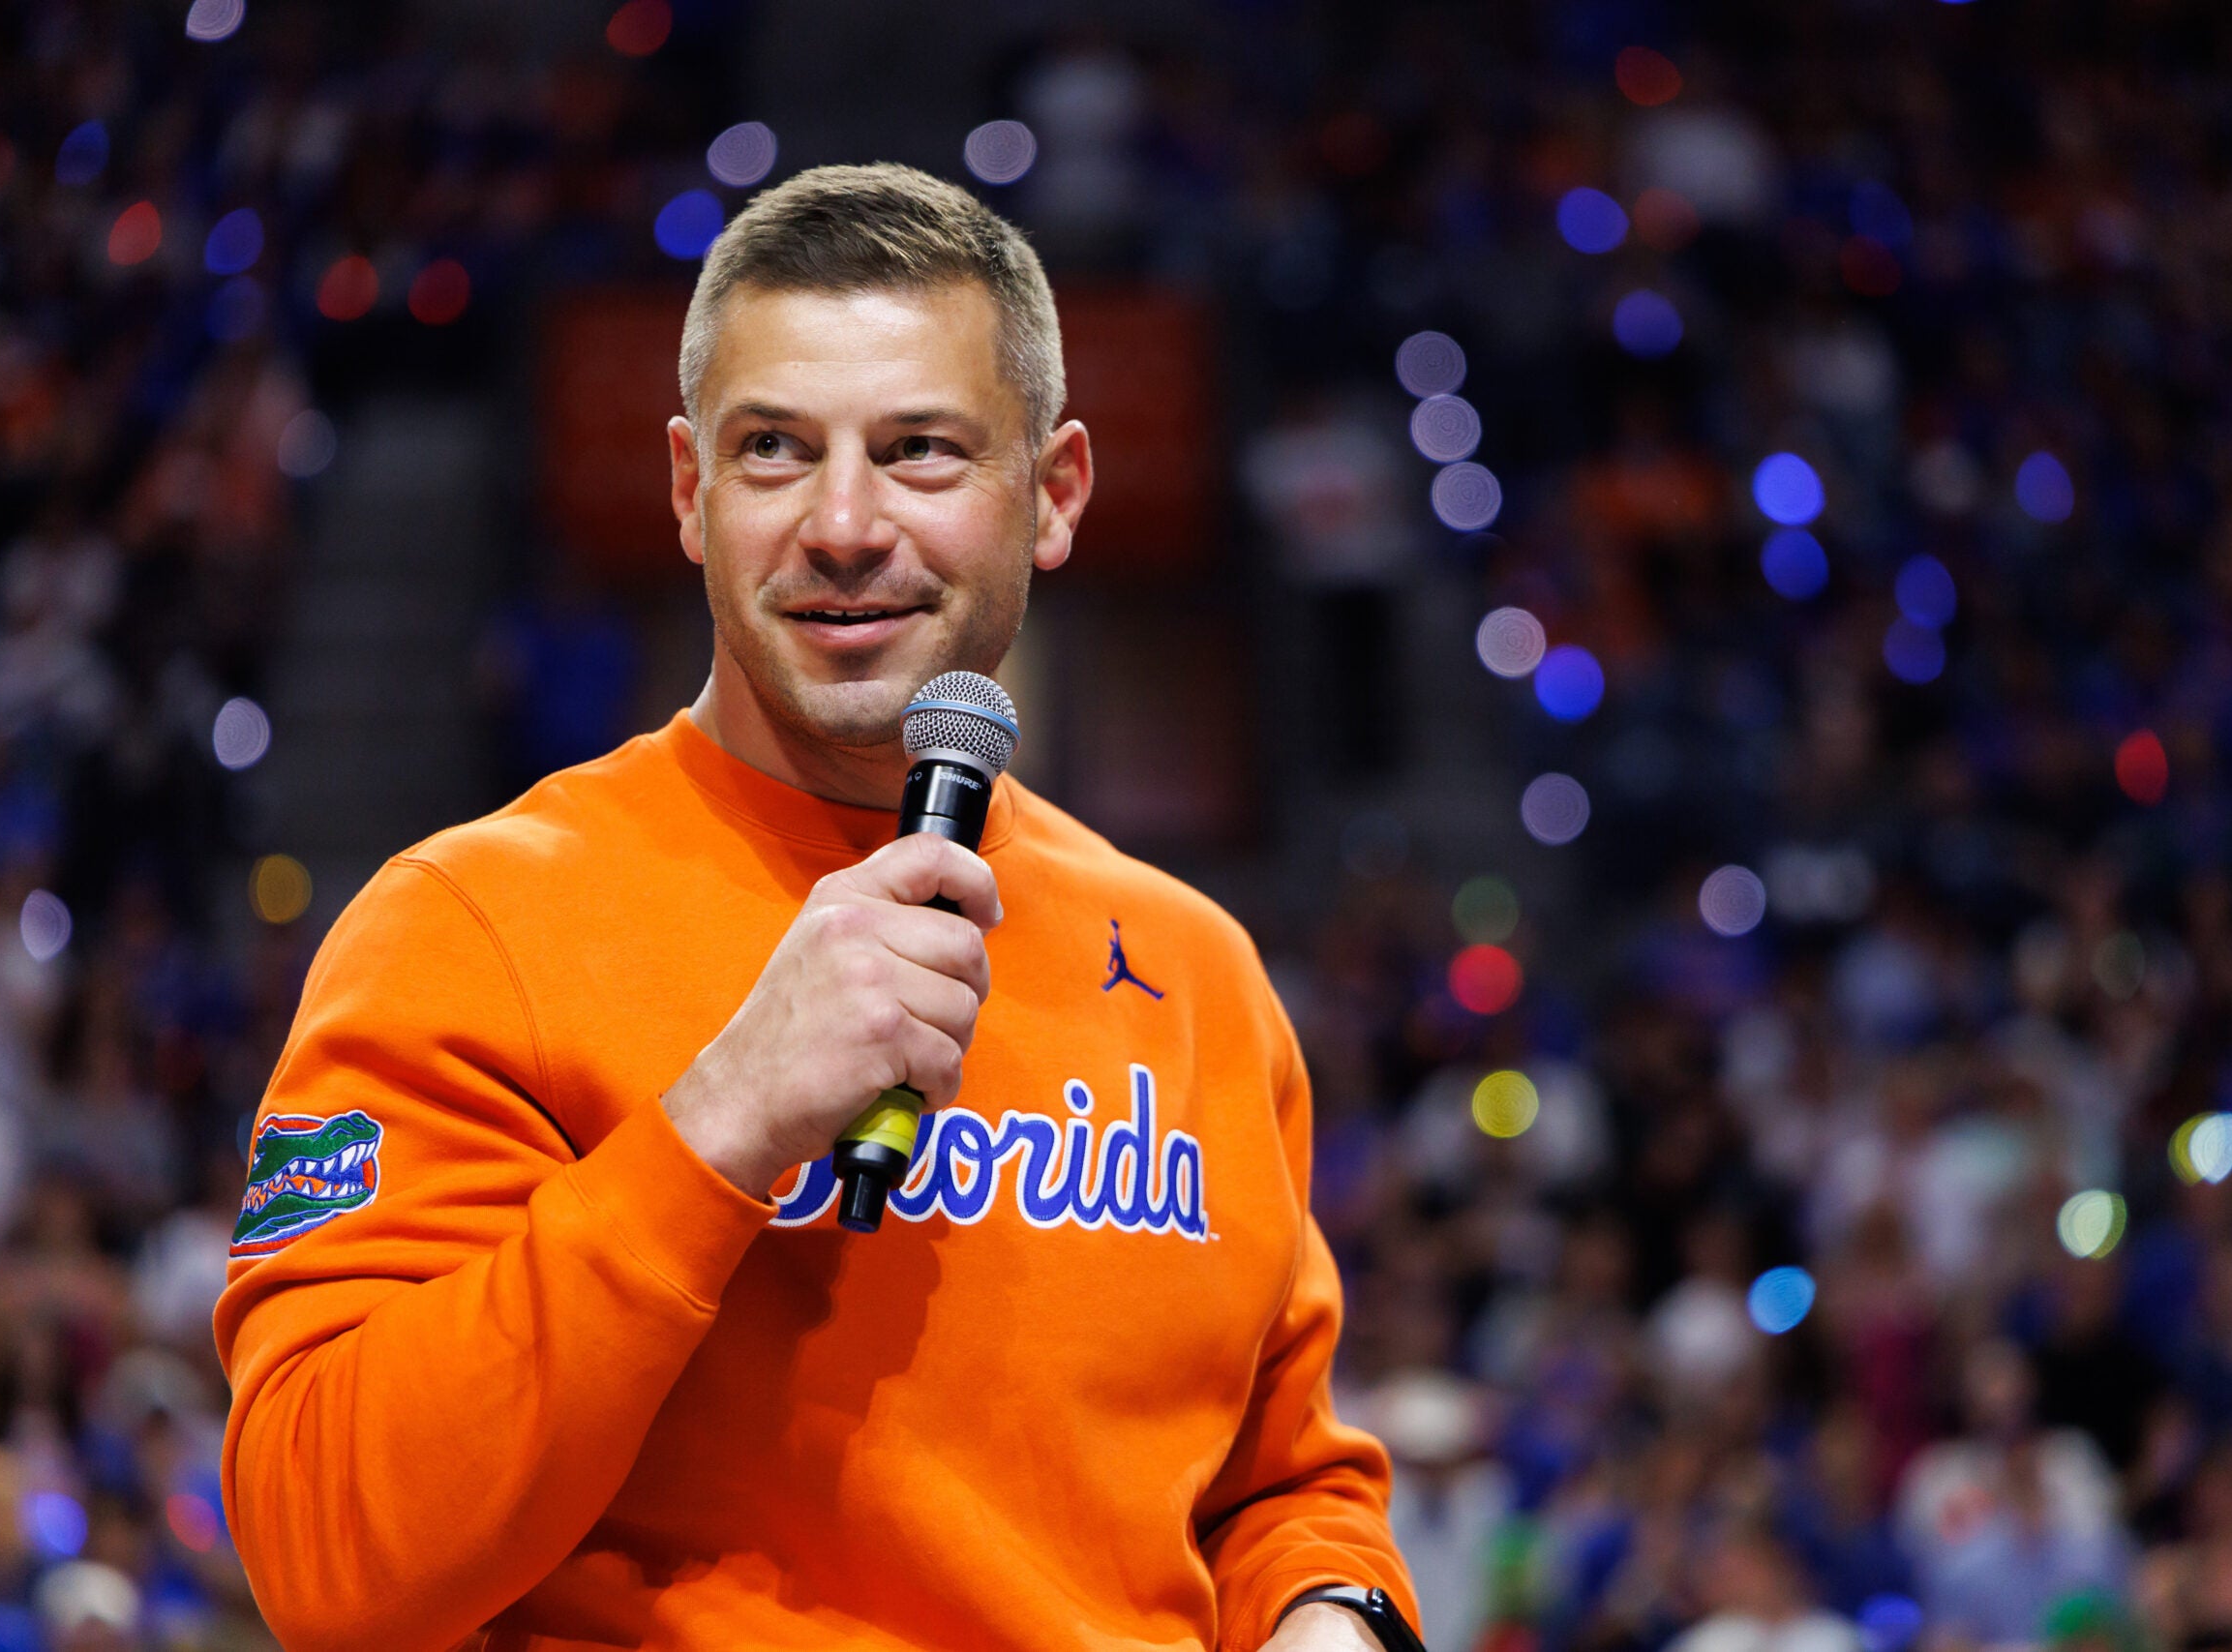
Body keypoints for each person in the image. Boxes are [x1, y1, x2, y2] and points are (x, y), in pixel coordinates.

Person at [213, 164, 1417, 1651]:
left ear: (1053, 496)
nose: (844, 526)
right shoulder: (470, 925)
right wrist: (723, 1119)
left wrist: (1333, 1614)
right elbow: (327, 1554)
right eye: (775, 451)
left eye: (920, 453)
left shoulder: (1194, 969)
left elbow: (1280, 1484)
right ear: (687, 493)